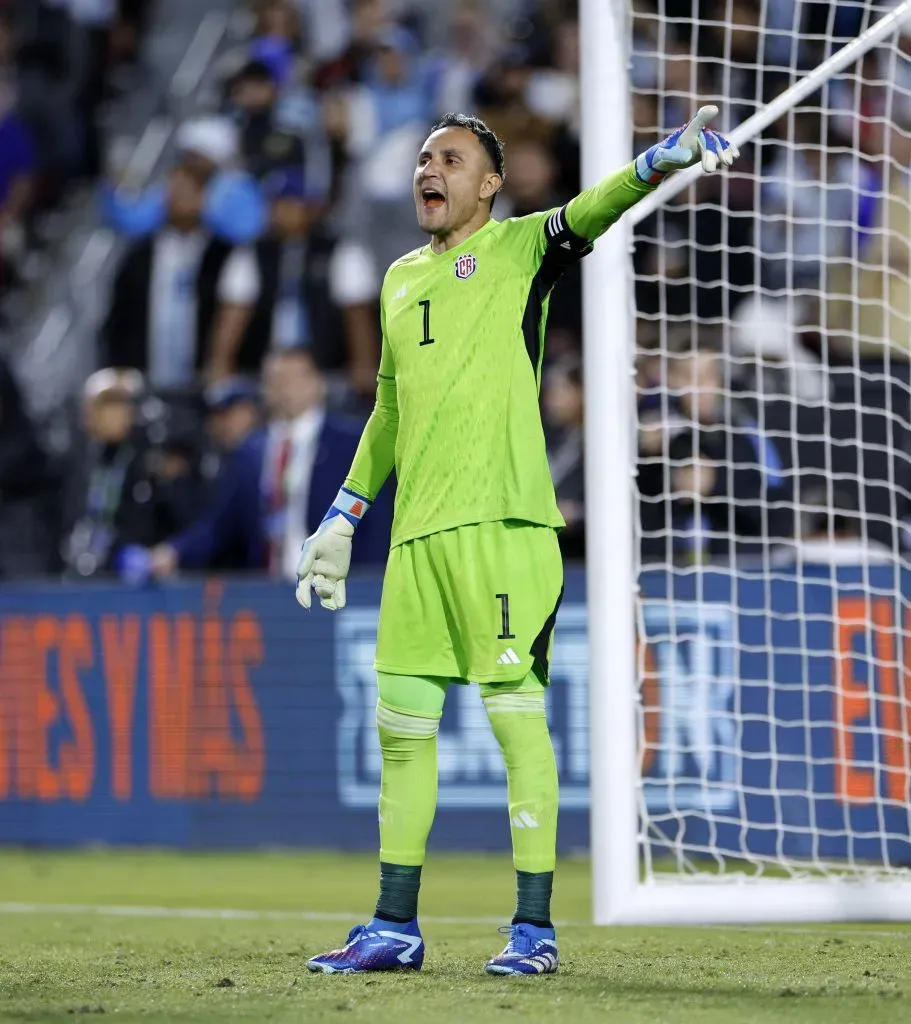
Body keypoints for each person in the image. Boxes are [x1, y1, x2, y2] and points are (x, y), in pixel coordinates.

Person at [299, 106, 738, 975]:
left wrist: (658, 161)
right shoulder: (394, 281)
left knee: (513, 725)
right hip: (417, 541)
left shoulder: (518, 248)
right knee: (401, 732)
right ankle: (394, 925)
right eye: (425, 158)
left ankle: (533, 931)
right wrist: (345, 515)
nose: (432, 169)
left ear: (489, 184)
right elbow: (388, 411)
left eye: (452, 159)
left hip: (505, 527)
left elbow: (591, 211)